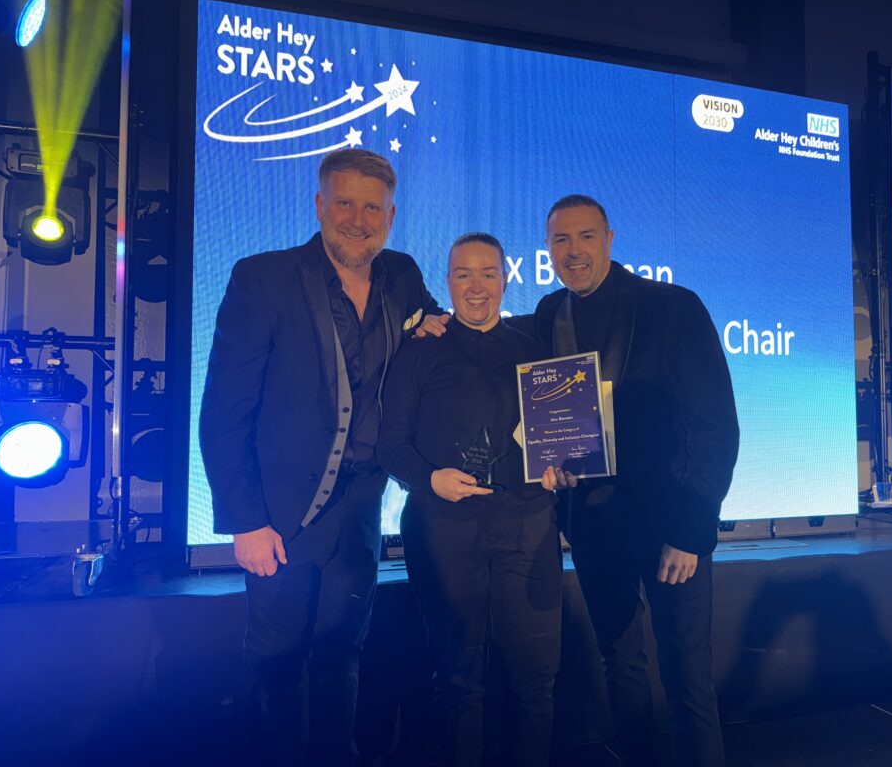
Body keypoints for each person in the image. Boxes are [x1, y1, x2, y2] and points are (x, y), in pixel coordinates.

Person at [199, 148, 448, 766]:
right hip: (278, 518)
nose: (357, 218)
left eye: (372, 206)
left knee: (342, 658)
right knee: (275, 663)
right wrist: (244, 520)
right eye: (344, 202)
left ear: (390, 215)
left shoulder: (404, 275)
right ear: (319, 205)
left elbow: (433, 332)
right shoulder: (262, 277)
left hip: (361, 511)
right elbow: (225, 411)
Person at [521, 195, 740, 767]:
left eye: (586, 237)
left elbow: (714, 424)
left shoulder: (672, 307)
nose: (574, 251)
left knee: (688, 675)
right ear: (548, 249)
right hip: (595, 527)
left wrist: (693, 530)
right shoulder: (548, 315)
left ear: (610, 240)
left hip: (671, 528)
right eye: (561, 240)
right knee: (620, 665)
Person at [377, 233, 572, 767]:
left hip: (527, 528)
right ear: (448, 282)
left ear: (506, 279)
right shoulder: (420, 349)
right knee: (459, 679)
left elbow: (561, 447)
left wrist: (561, 469)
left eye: (488, 273)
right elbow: (390, 444)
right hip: (444, 533)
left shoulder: (535, 352)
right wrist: (429, 478)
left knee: (535, 681)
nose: (476, 286)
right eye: (463, 274)